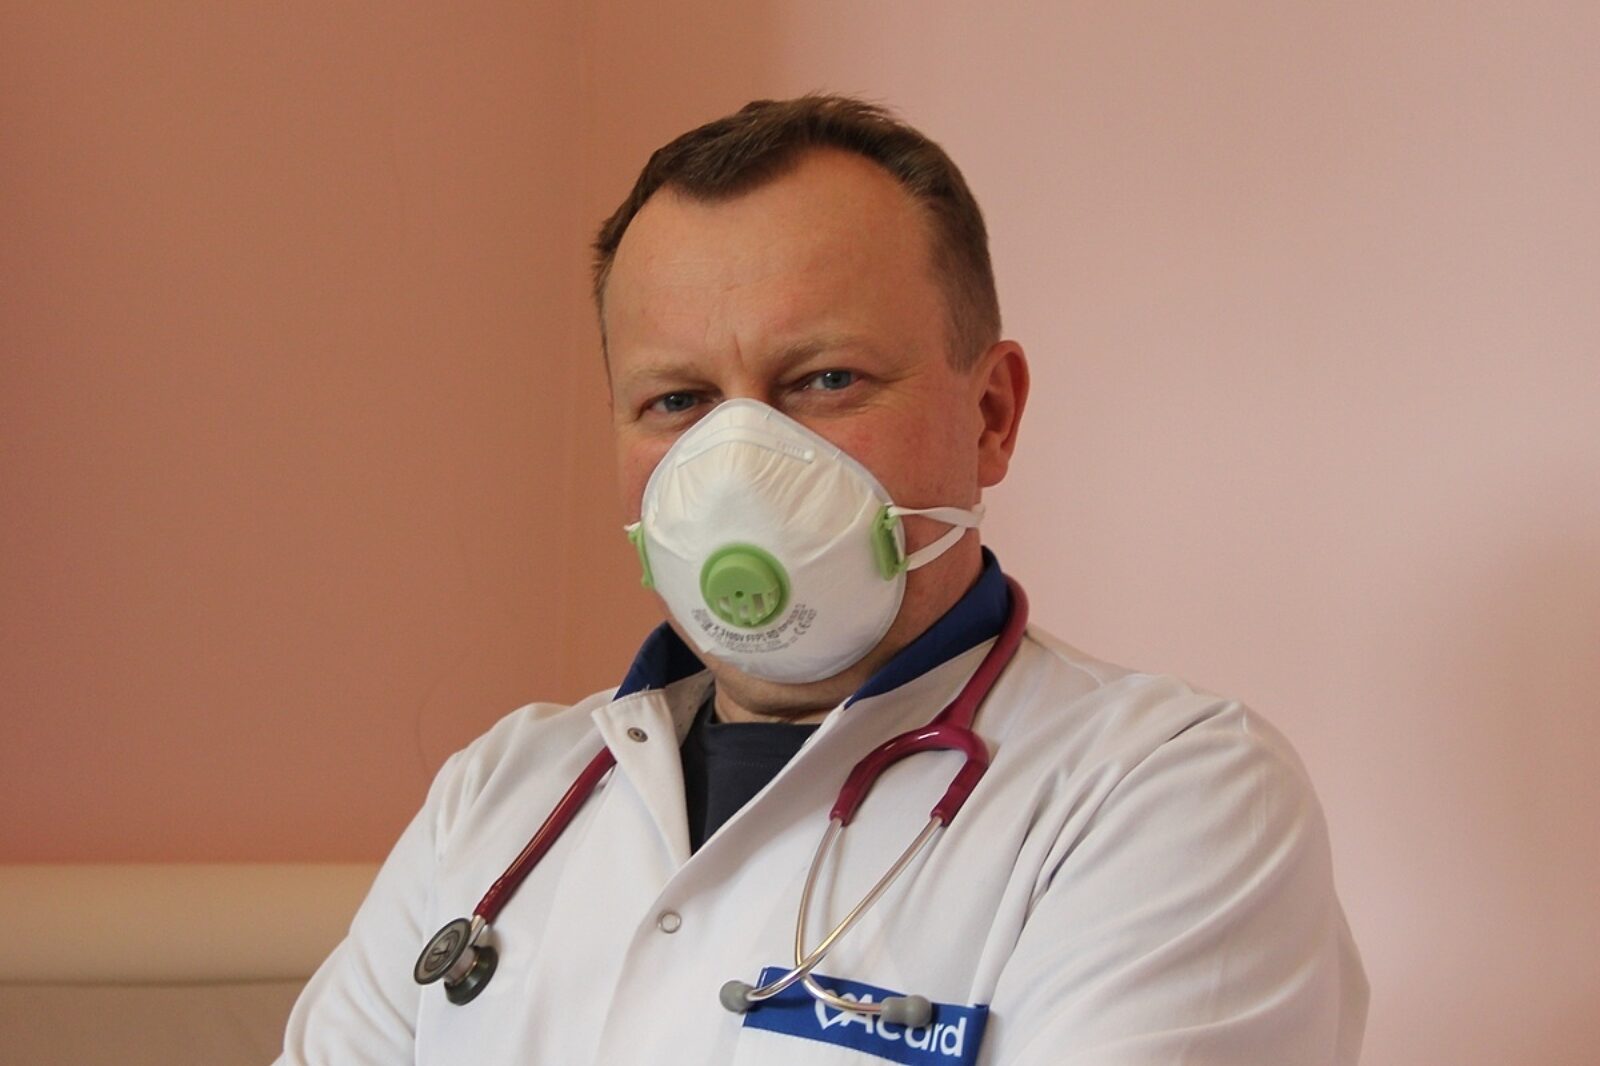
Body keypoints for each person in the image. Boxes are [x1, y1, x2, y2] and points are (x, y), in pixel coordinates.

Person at [277, 95, 1367, 1065]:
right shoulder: (498, 796)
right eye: (676, 401)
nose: (737, 466)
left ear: (990, 415)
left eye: (826, 379)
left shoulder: (1166, 798)